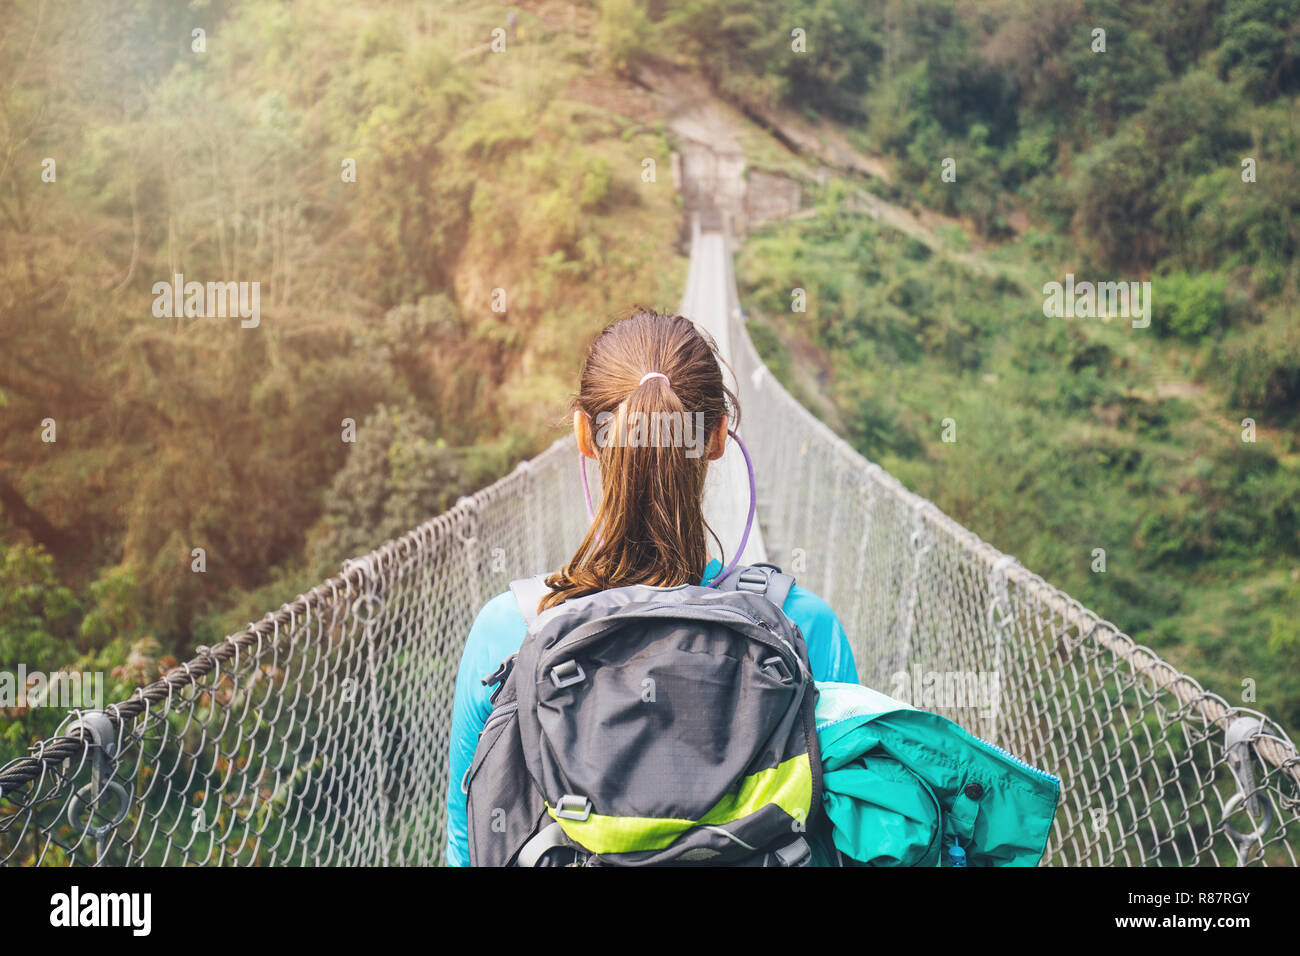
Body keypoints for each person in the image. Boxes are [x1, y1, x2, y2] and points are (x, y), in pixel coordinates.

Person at [443, 308, 859, 866]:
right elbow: (851, 833)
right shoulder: (806, 628)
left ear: (584, 435)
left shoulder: (511, 629)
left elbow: (467, 841)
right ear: (716, 437)